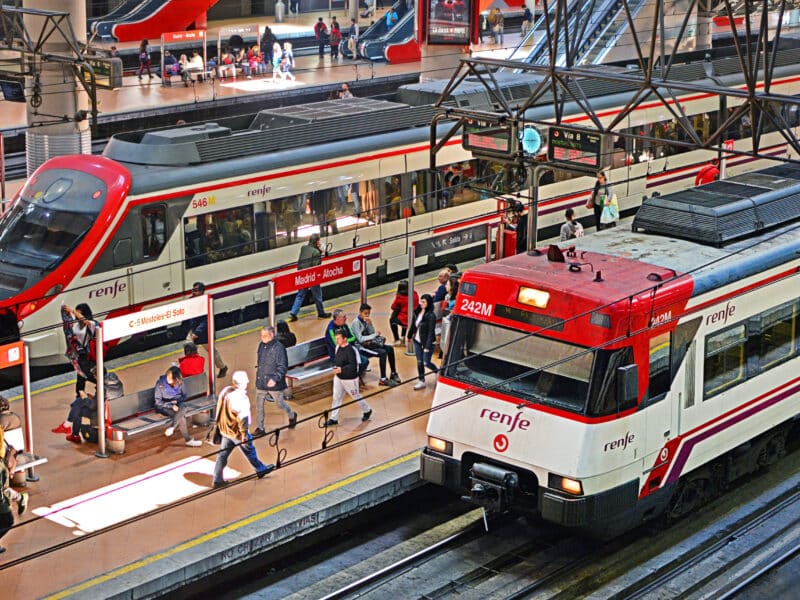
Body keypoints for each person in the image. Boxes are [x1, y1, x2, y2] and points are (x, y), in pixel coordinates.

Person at [212, 371, 275, 488]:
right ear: (242, 383)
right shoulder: (241, 398)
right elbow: (243, 419)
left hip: (225, 430)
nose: (248, 381)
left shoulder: (225, 391)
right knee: (250, 450)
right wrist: (244, 434)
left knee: (223, 454)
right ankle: (260, 469)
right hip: (236, 432)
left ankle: (217, 479)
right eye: (246, 380)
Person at [254, 325, 297, 435]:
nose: (262, 337)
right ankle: (260, 428)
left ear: (272, 335)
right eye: (261, 335)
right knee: (259, 405)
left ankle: (291, 414)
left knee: (279, 403)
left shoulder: (279, 348)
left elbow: (282, 366)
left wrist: (275, 379)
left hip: (274, 383)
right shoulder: (261, 345)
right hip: (261, 381)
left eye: (265, 335)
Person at [327, 329, 372, 426]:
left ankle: (367, 410)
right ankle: (333, 418)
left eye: (338, 338)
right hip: (339, 378)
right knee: (336, 397)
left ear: (345, 339)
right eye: (336, 338)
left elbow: (354, 366)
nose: (337, 340)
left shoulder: (351, 350)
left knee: (356, 396)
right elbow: (337, 360)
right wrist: (337, 369)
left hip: (350, 379)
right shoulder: (337, 347)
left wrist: (341, 369)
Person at [183, 282, 228, 378]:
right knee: (189, 348)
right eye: (193, 290)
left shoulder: (206, 301)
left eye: (196, 290)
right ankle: (191, 371)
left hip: (204, 333)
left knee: (212, 352)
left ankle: (222, 367)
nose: (194, 292)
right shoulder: (190, 301)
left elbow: (206, 320)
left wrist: (197, 332)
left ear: (202, 291)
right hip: (193, 330)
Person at [352, 303, 400, 387]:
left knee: (389, 349)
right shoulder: (356, 323)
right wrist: (374, 335)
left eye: (368, 313)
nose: (367, 315)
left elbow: (371, 333)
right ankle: (383, 379)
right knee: (382, 353)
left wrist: (370, 324)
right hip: (361, 347)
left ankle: (393, 372)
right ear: (360, 312)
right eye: (365, 313)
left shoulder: (366, 321)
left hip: (370, 344)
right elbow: (360, 339)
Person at [154, 367, 202, 447]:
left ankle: (172, 427)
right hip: (163, 406)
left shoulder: (180, 383)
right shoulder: (160, 384)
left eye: (170, 378)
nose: (168, 379)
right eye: (167, 376)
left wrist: (176, 401)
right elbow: (158, 402)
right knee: (181, 417)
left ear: (176, 379)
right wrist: (171, 405)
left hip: (177, 403)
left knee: (184, 408)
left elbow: (184, 396)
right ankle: (188, 440)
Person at [289, 234, 331, 321]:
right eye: (319, 241)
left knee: (300, 295)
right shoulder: (316, 252)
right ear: (317, 242)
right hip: (312, 277)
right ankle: (321, 313)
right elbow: (316, 266)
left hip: (302, 275)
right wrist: (320, 252)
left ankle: (293, 313)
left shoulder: (303, 247)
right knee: (317, 295)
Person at [63, 303, 98, 396]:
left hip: (89, 354)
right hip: (80, 354)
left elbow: (85, 321)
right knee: (81, 375)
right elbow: (71, 333)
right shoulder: (76, 325)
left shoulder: (92, 324)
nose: (76, 316)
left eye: (79, 313)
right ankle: (79, 394)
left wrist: (72, 311)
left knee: (86, 374)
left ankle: (102, 383)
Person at [408, 294, 438, 390]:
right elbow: (413, 325)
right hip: (417, 341)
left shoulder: (431, 316)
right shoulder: (417, 312)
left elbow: (431, 332)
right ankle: (421, 381)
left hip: (427, 343)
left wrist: (427, 346)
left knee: (426, 362)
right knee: (419, 362)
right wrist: (409, 335)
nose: (421, 303)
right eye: (421, 301)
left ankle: (437, 371)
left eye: (423, 302)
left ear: (428, 303)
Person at [389, 280, 418, 344]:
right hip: (414, 317)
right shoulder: (415, 293)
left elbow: (393, 307)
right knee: (401, 316)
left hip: (405, 319)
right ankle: (403, 336)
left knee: (392, 320)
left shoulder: (399, 297)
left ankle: (397, 339)